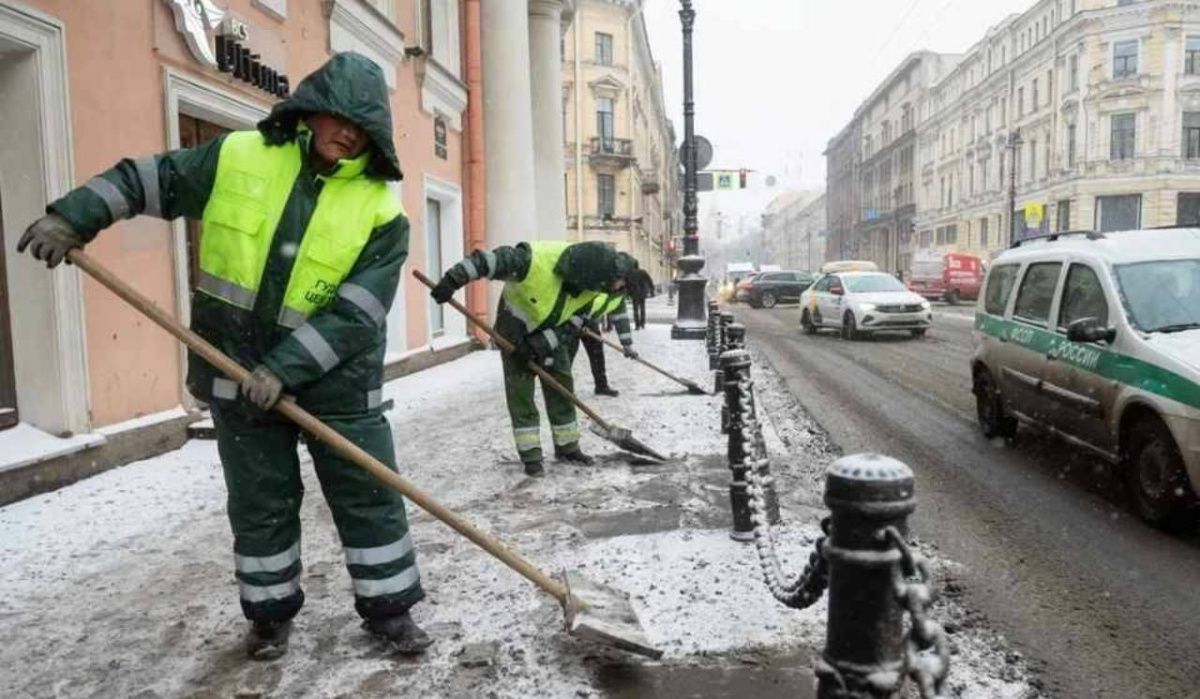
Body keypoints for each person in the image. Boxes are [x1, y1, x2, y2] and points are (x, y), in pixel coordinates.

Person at [18, 53, 430, 660]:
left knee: (368, 497)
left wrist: (284, 369)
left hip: (339, 386)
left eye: (365, 126)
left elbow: (357, 313)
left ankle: (391, 612)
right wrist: (72, 216)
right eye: (341, 117)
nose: (350, 133)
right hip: (237, 373)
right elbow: (143, 180)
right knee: (260, 504)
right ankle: (268, 617)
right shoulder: (237, 157)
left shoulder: (381, 211)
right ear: (311, 110)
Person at [430, 241, 635, 476]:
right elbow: (489, 261)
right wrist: (453, 280)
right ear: (592, 272)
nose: (619, 287)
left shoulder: (594, 287)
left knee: (561, 386)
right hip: (515, 328)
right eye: (618, 281)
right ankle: (531, 455)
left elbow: (573, 323)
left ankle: (567, 447)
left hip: (552, 332)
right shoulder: (531, 261)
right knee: (521, 392)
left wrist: (541, 344)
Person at [568, 283, 638, 397]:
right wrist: (578, 321)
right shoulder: (598, 284)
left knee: (597, 355)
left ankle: (601, 386)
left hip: (591, 323)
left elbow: (621, 319)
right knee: (568, 355)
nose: (618, 284)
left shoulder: (619, 297)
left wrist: (627, 345)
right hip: (571, 322)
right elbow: (579, 301)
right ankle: (565, 389)